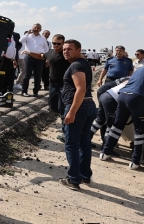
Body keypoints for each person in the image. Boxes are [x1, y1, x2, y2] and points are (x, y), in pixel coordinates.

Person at [100, 63, 144, 169]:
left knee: (117, 126)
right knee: (139, 130)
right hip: (137, 98)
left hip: (123, 95)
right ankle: (135, 162)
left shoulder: (140, 69)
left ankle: (104, 153)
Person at [59, 39, 97, 190]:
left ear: (78, 50)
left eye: (69, 49)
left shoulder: (76, 65)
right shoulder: (83, 63)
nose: (66, 52)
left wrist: (72, 111)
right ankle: (85, 175)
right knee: (84, 142)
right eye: (64, 49)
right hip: (87, 105)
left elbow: (80, 89)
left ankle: (74, 179)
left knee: (72, 144)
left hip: (79, 106)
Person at [26, 34, 70, 115]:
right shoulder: (50, 52)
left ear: (63, 43)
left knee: (63, 107)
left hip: (64, 85)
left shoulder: (66, 54)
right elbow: (40, 56)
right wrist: (29, 53)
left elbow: (77, 59)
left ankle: (65, 124)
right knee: (52, 105)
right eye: (54, 43)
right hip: (53, 84)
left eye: (58, 44)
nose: (56, 45)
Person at [19, 24, 49, 97]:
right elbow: (21, 41)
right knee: (27, 75)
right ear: (32, 28)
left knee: (38, 75)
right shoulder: (28, 36)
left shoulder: (43, 38)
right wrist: (27, 33)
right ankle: (24, 91)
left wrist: (46, 58)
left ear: (40, 29)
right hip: (29, 56)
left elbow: (46, 49)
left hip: (39, 57)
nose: (36, 29)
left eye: (38, 28)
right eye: (35, 27)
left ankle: (36, 92)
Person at [0, 33, 17, 106]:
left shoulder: (14, 36)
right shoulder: (2, 34)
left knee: (7, 80)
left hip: (10, 61)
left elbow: (14, 48)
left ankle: (4, 98)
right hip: (3, 61)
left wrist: (14, 59)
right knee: (0, 81)